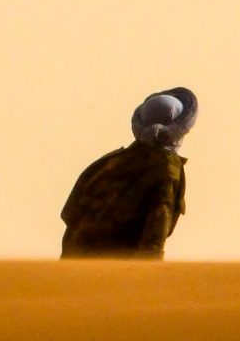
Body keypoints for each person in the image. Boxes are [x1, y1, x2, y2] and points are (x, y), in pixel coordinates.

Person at [60, 88, 196, 258]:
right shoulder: (167, 167)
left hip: (74, 264)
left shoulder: (109, 162)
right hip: (113, 273)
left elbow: (69, 214)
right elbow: (155, 233)